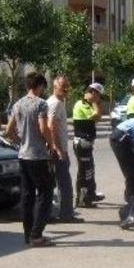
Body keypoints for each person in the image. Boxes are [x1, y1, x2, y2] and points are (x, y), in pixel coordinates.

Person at [6, 72, 55, 247]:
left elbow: (9, 131)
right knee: (46, 192)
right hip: (38, 155)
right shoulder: (41, 104)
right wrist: (51, 145)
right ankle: (36, 234)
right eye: (43, 87)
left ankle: (28, 234)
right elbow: (43, 128)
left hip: (23, 155)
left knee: (27, 196)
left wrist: (21, 140)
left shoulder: (18, 104)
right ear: (40, 86)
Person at [47, 75, 83, 223]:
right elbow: (51, 126)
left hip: (54, 148)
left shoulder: (55, 102)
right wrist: (58, 148)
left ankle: (53, 213)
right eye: (63, 86)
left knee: (54, 183)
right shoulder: (55, 104)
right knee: (65, 184)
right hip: (57, 150)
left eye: (68, 85)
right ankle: (66, 215)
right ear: (55, 87)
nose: (67, 89)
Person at [72, 82, 106, 207]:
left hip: (87, 143)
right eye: (99, 96)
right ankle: (82, 199)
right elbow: (96, 116)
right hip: (82, 142)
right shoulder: (82, 104)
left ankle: (90, 194)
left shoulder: (89, 104)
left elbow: (98, 117)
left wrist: (96, 104)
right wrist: (96, 104)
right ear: (93, 92)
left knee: (90, 169)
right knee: (84, 171)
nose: (99, 99)